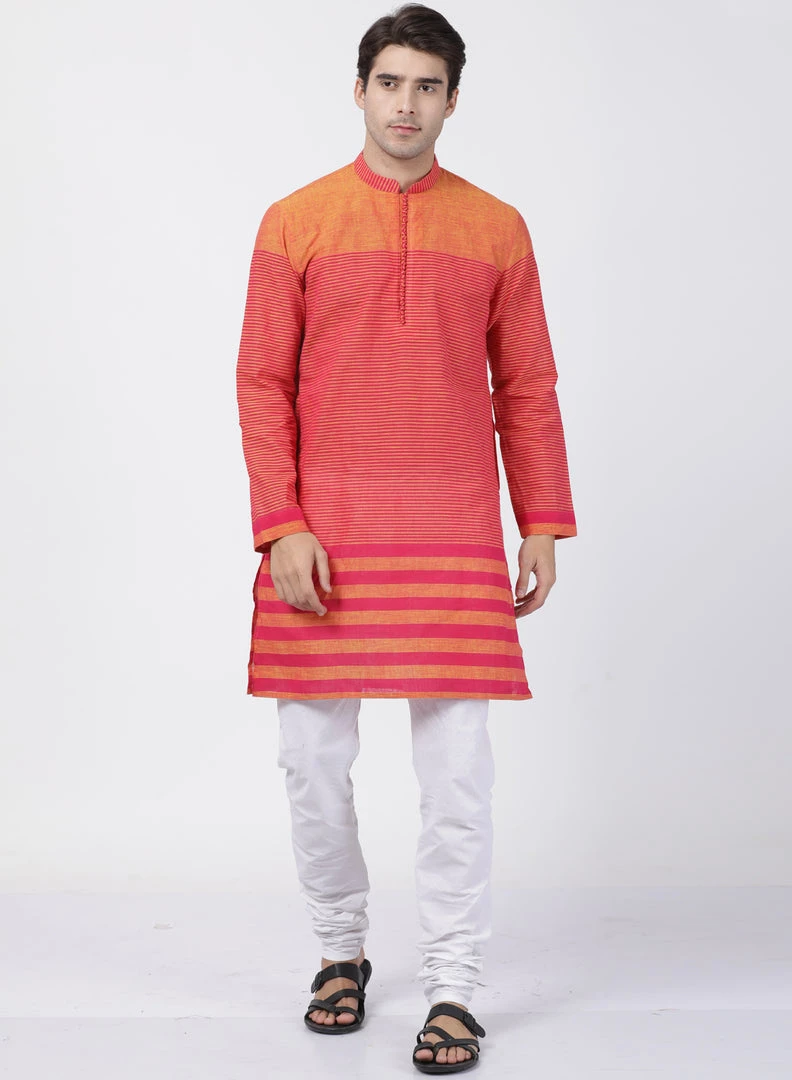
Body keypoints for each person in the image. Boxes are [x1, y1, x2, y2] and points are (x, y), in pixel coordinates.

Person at [235, 3, 578, 1071]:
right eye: (390, 82)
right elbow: (260, 382)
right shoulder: (295, 221)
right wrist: (281, 525)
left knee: (459, 777)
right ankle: (340, 952)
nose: (406, 104)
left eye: (427, 86)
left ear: (452, 101)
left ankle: (455, 986)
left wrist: (542, 520)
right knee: (310, 764)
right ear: (359, 90)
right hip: (323, 534)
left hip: (452, 527)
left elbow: (527, 385)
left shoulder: (497, 227)